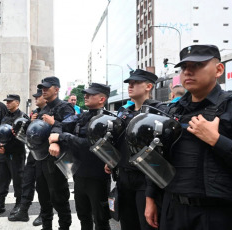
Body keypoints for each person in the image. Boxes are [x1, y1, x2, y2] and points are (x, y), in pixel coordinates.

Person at [145, 44, 232, 230]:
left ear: (219, 69)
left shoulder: (229, 107)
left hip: (215, 214)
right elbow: (159, 157)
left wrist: (216, 140)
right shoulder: (172, 110)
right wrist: (150, 197)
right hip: (173, 209)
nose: (188, 72)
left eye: (197, 66)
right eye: (184, 67)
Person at [105, 69, 166, 230]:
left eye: (135, 83)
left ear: (148, 86)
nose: (130, 86)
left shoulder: (158, 112)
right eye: (129, 83)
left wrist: (151, 195)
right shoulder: (125, 114)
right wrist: (111, 161)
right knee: (128, 224)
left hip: (146, 179)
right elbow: (119, 142)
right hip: (124, 178)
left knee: (147, 224)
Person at [49, 83, 112, 230]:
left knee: (101, 219)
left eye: (91, 94)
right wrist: (56, 140)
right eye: (86, 94)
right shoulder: (81, 116)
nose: (86, 96)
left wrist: (61, 137)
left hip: (98, 177)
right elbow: (60, 124)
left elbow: (89, 145)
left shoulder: (106, 120)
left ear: (102, 99)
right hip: (79, 175)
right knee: (83, 216)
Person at [34, 76, 75, 230]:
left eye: (47, 88)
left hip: (57, 160)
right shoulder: (43, 109)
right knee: (43, 197)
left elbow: (72, 128)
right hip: (41, 158)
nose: (43, 91)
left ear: (56, 89)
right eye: (42, 88)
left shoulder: (65, 107)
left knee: (59, 197)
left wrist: (54, 123)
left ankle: (64, 227)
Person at [0, 94, 27, 217]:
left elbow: (22, 138)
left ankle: (19, 204)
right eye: (7, 102)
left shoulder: (22, 117)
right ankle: (0, 204)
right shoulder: (5, 117)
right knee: (1, 179)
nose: (8, 103)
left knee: (18, 181)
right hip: (3, 153)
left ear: (17, 102)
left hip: (16, 153)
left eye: (10, 102)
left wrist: (7, 148)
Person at [9, 88, 45, 226]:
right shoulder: (35, 113)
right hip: (33, 153)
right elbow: (30, 133)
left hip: (45, 155)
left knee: (43, 186)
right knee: (27, 181)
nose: (36, 98)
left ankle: (44, 213)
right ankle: (23, 211)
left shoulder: (51, 112)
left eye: (39, 96)